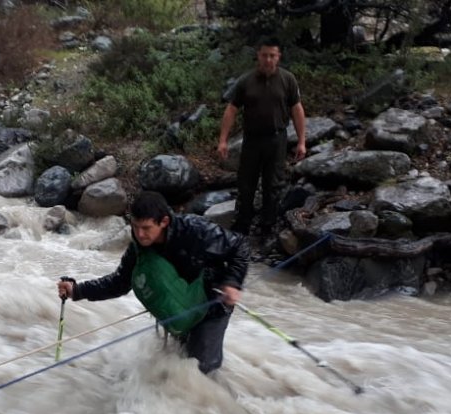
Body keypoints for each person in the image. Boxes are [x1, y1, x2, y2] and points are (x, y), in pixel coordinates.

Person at [57, 191, 249, 374]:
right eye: (135, 226)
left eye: (146, 228)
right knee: (179, 361)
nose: (140, 234)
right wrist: (77, 290)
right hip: (176, 309)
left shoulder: (195, 230)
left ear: (164, 221)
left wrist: (233, 282)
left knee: (201, 369)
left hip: (212, 305)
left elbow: (240, 246)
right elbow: (119, 283)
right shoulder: (139, 250)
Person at [217, 36, 307, 238]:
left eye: (272, 56)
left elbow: (297, 110)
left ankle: (268, 226)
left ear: (278, 57)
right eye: (264, 55)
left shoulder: (288, 79)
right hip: (252, 140)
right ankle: (242, 225)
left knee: (273, 184)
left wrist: (302, 142)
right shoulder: (246, 81)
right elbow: (231, 110)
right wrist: (223, 140)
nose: (268, 60)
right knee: (246, 183)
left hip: (277, 139)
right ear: (258, 55)